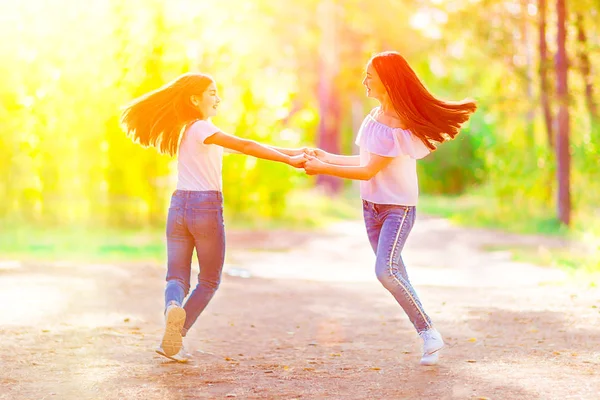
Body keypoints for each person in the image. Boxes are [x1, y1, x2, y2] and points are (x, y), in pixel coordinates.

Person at [304, 51, 476, 365]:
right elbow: (364, 162)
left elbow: (367, 171)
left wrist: (322, 168)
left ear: (387, 79)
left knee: (385, 271)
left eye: (369, 75)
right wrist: (325, 157)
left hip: (398, 208)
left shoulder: (399, 123)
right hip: (371, 207)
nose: (364, 80)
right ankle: (429, 335)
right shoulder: (374, 117)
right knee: (395, 272)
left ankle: (428, 334)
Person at [120, 72, 308, 362]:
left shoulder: (185, 130)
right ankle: (178, 333)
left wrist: (294, 152)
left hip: (178, 207)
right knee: (208, 280)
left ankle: (173, 307)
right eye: (212, 92)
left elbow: (248, 144)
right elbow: (246, 146)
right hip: (204, 208)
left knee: (176, 276)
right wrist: (289, 160)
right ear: (194, 99)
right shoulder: (201, 128)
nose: (218, 98)